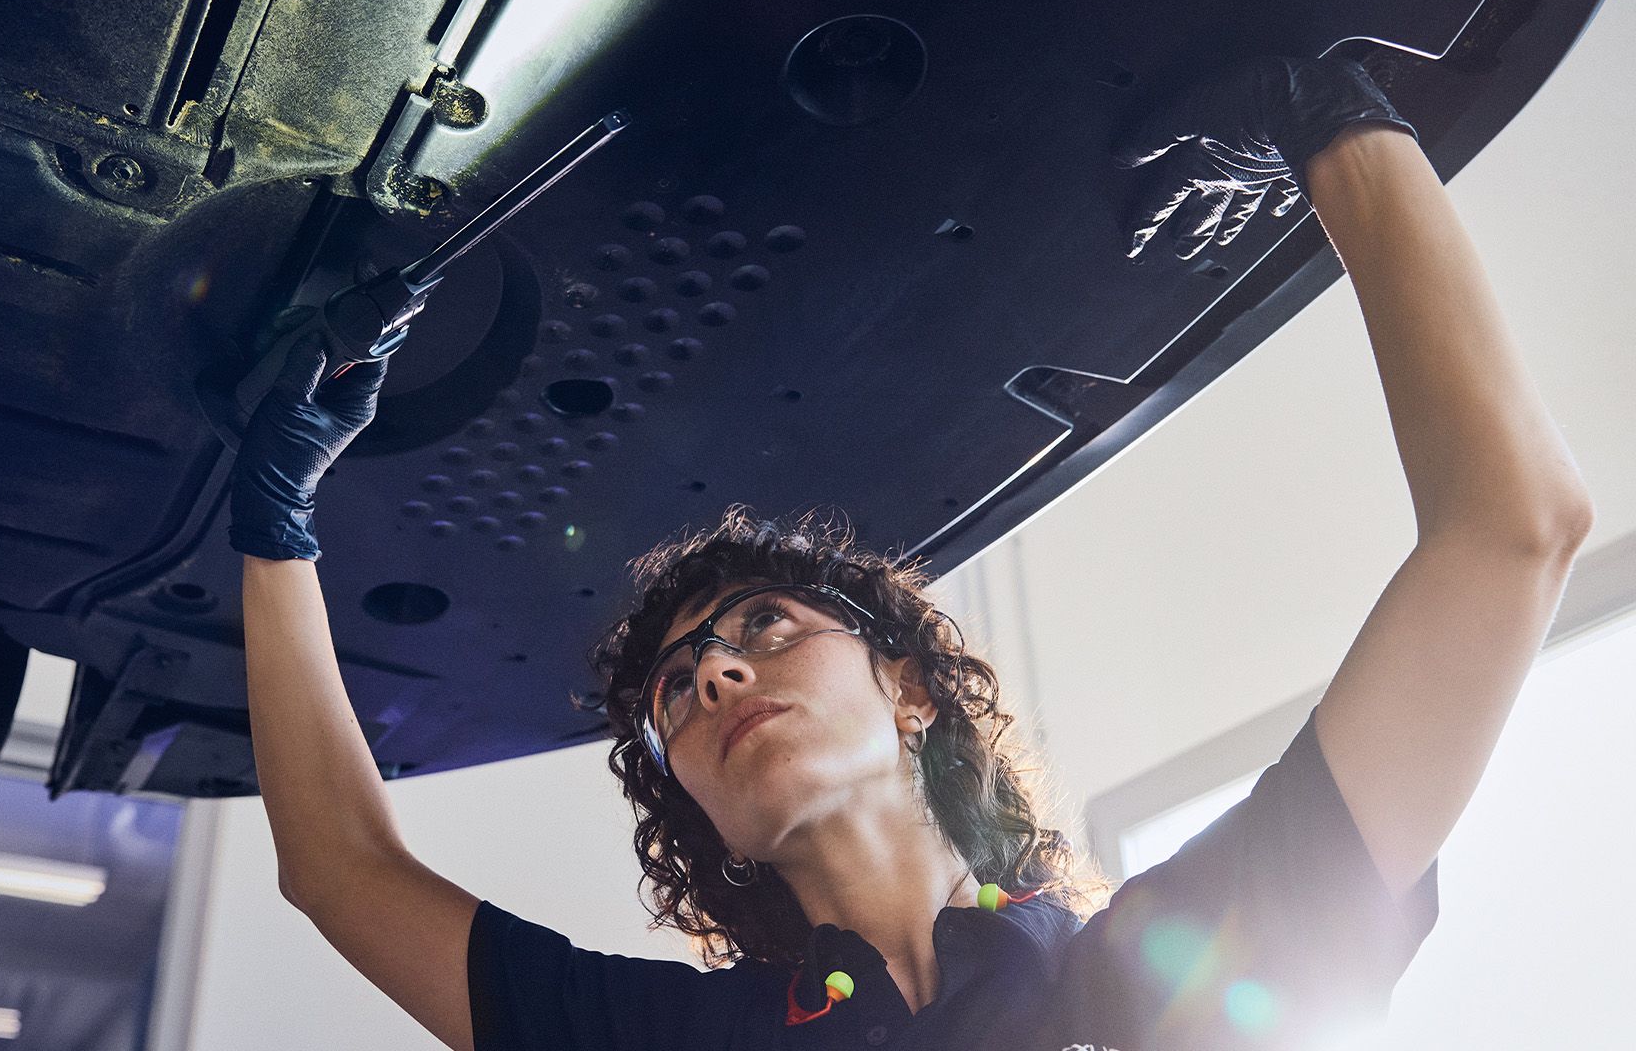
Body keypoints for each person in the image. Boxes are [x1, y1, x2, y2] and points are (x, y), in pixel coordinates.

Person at [228, 55, 1594, 1050]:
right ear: (703, 823)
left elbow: (1513, 531)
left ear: (910, 689)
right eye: (675, 691)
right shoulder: (683, 1042)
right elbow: (340, 870)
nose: (709, 679)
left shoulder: (1151, 975)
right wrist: (277, 522)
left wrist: (1332, 114)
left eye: (764, 627)